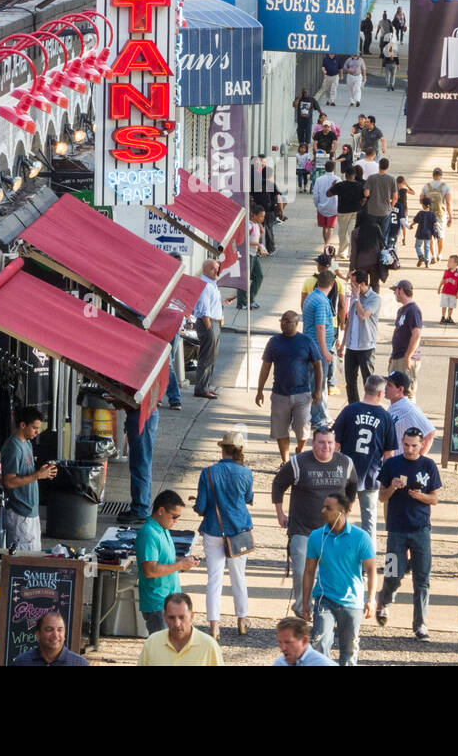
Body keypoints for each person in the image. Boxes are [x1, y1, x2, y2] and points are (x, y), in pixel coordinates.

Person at [272, 426, 358, 612]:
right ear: (313, 443)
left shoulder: (346, 463)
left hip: (333, 532)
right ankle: (303, 607)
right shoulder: (298, 463)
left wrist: (348, 509)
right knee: (302, 571)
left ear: (335, 444)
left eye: (329, 443)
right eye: (321, 442)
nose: (325, 447)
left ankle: (324, 609)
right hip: (303, 529)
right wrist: (280, 513)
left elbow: (352, 486)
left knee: (332, 572)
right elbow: (278, 484)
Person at [376, 428, 442, 639]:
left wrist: (419, 496)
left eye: (414, 445)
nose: (410, 449)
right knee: (392, 572)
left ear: (421, 445)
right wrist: (393, 488)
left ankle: (420, 623)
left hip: (421, 530)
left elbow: (434, 499)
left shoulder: (428, 465)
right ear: (402, 443)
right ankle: (384, 601)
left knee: (422, 579)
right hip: (396, 530)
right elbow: (381, 497)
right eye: (406, 445)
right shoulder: (392, 464)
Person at [300, 492, 377, 667]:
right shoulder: (316, 536)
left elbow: (372, 570)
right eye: (323, 506)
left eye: (328, 508)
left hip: (352, 602)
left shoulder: (361, 537)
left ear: (342, 511)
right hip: (324, 599)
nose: (322, 510)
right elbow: (309, 571)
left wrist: (371, 600)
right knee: (318, 644)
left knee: (349, 651)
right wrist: (305, 601)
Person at [194, 428, 254, 638]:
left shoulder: (208, 473)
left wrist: (199, 507)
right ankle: (242, 619)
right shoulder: (246, 473)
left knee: (214, 579)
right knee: (239, 577)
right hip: (238, 530)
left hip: (213, 529)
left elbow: (201, 506)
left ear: (223, 450)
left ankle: (214, 626)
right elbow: (248, 498)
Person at [333, 374, 398, 548]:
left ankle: (336, 551)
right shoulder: (385, 417)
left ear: (365, 388)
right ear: (380, 393)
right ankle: (367, 561)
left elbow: (335, 444)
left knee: (340, 514)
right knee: (369, 519)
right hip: (371, 475)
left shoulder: (349, 410)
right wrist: (387, 478)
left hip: (346, 473)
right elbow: (388, 454)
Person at [256, 309, 324, 464]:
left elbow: (318, 365)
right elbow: (265, 367)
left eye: (288, 321)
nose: (284, 324)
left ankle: (299, 450)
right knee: (281, 430)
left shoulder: (306, 341)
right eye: (282, 321)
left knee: (302, 429)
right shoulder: (274, 342)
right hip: (280, 393)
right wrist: (259, 390)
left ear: (296, 323)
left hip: (302, 394)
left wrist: (318, 390)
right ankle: (285, 461)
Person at [135, 490, 200, 633]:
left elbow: (166, 561)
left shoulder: (162, 529)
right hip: (157, 604)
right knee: (163, 651)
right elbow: (150, 571)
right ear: (161, 511)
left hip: (170, 601)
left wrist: (184, 562)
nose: (176, 521)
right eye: (174, 517)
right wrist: (180, 564)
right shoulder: (149, 534)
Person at [1, 404, 57, 554]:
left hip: (30, 511)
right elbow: (9, 481)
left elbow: (28, 472)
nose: (37, 432)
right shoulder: (13, 447)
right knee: (24, 557)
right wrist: (38, 475)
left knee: (34, 555)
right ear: (22, 425)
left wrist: (44, 471)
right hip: (20, 514)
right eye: (34, 428)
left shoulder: (27, 443)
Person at [137, 592, 224, 666]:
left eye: (182, 617)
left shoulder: (209, 646)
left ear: (191, 616)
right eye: (171, 618)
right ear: (165, 617)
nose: (177, 624)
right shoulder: (152, 642)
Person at [302, 271, 338, 425]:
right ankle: (318, 418)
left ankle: (318, 414)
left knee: (314, 383)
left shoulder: (312, 296)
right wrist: (325, 351)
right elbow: (320, 327)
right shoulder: (322, 302)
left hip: (310, 346)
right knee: (318, 384)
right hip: (317, 349)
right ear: (331, 284)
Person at [192, 259, 231, 398]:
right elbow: (203, 310)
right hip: (209, 323)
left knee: (212, 357)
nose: (216, 271)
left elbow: (211, 304)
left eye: (217, 268)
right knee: (207, 357)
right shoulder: (205, 286)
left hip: (215, 322)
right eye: (212, 269)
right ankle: (201, 388)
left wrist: (223, 302)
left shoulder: (212, 284)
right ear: (205, 270)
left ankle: (206, 386)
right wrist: (209, 328)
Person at [341, 270, 380, 404]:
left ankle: (370, 405)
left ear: (362, 284)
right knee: (350, 381)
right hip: (351, 346)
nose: (351, 287)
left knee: (368, 381)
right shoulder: (353, 296)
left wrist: (357, 298)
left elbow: (362, 315)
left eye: (353, 284)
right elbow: (349, 322)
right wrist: (342, 344)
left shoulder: (374, 298)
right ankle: (353, 407)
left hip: (366, 346)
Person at [383, 371, 437, 457]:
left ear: (400, 389)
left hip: (401, 465)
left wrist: (417, 461)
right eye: (386, 384)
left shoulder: (409, 410)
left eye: (389, 385)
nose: (385, 388)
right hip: (391, 464)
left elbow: (430, 433)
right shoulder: (393, 406)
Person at [13, 610, 90, 665]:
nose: (55, 635)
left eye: (60, 630)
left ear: (64, 635)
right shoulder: (22, 662)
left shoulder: (80, 663)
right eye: (49, 630)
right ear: (38, 634)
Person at [387, 280, 423, 380]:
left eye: (395, 290)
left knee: (407, 391)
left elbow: (416, 335)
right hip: (397, 356)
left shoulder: (413, 310)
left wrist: (408, 356)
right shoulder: (401, 310)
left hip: (406, 358)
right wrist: (393, 355)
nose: (394, 293)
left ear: (401, 290)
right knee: (394, 389)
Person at [330, 165, 367, 257]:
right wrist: (360, 206)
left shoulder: (340, 185)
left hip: (343, 212)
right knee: (352, 232)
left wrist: (333, 186)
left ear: (345, 175)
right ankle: (352, 252)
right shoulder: (359, 186)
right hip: (355, 211)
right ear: (354, 175)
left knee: (342, 232)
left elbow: (328, 194)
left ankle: (342, 252)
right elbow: (364, 199)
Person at [421, 168, 453, 261]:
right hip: (440, 214)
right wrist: (450, 217)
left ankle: (433, 255)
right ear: (441, 176)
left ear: (433, 175)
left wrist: (425, 209)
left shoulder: (426, 186)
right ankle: (440, 254)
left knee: (430, 235)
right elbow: (448, 203)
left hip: (429, 214)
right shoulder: (445, 187)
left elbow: (421, 200)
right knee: (440, 235)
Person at [363, 157, 398, 244]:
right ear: (387, 167)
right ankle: (382, 255)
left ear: (379, 166)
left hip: (372, 210)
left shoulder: (371, 178)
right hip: (385, 211)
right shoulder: (392, 179)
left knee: (371, 234)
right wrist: (391, 207)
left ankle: (371, 253)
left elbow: (366, 193)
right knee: (384, 235)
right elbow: (395, 197)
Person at [313, 160, 339, 246]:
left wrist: (317, 205)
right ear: (334, 168)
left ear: (325, 168)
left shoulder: (319, 180)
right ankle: (327, 244)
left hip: (322, 206)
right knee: (331, 227)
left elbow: (315, 195)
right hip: (334, 207)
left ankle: (326, 243)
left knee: (324, 227)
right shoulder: (338, 179)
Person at [247, 204, 268, 309]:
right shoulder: (249, 225)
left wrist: (261, 229)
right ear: (253, 215)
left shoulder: (257, 225)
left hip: (255, 254)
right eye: (260, 216)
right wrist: (257, 245)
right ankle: (243, 301)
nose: (262, 219)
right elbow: (245, 240)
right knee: (246, 277)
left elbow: (259, 235)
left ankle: (251, 298)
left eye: (263, 217)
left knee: (259, 276)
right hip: (248, 254)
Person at [411, 196, 439, 267]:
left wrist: (411, 225)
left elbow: (415, 221)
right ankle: (427, 262)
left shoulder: (420, 213)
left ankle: (421, 256)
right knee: (426, 247)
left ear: (423, 205)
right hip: (428, 234)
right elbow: (435, 223)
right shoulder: (432, 214)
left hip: (420, 233)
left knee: (417, 246)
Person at [389, 175, 415, 247]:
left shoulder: (394, 190)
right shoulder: (404, 190)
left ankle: (395, 236)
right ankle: (404, 238)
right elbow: (413, 192)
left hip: (395, 207)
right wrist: (407, 185)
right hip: (404, 208)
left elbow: (391, 198)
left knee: (395, 221)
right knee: (404, 223)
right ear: (402, 183)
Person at [438, 254, 458, 324]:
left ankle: (449, 317)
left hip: (453, 293)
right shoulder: (446, 271)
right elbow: (443, 280)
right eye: (448, 261)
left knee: (451, 306)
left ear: (455, 264)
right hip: (445, 292)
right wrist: (439, 287)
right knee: (444, 305)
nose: (448, 263)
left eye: (449, 262)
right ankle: (443, 317)